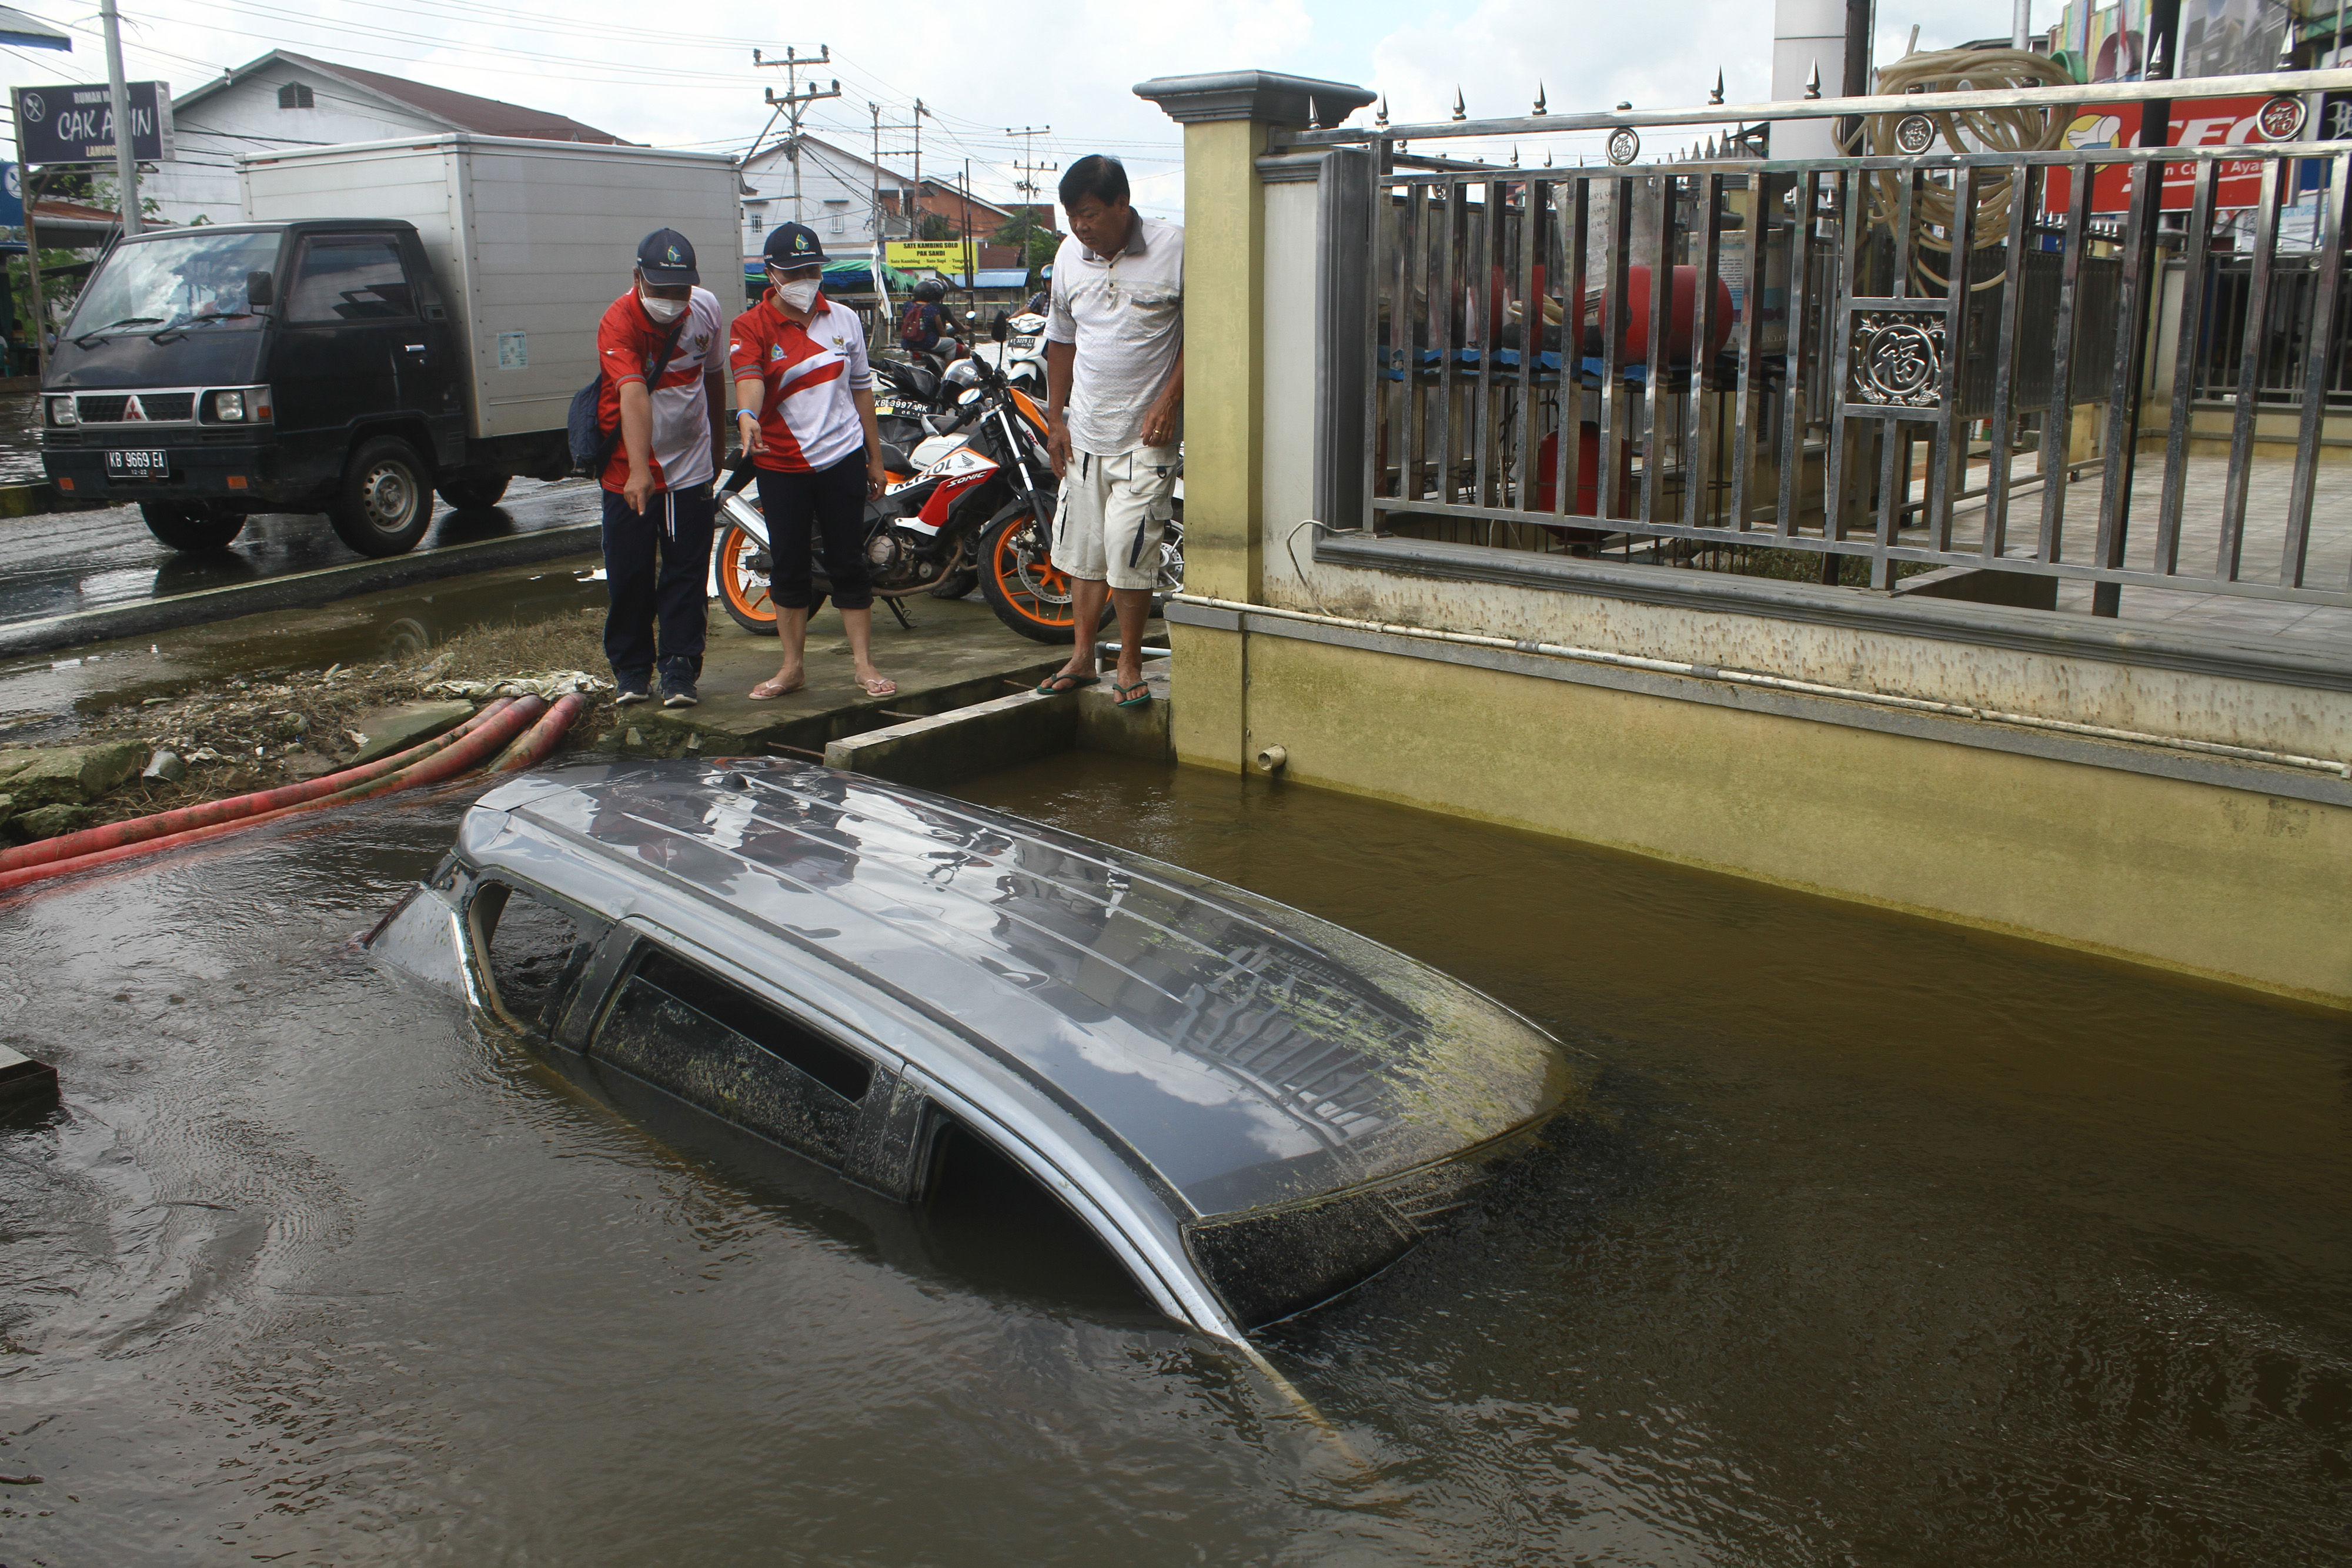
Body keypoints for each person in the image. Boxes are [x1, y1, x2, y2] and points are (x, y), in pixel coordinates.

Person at [1037, 155, 1182, 709]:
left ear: (1123, 204)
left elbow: (1201, 329)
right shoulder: (1070, 255)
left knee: (1129, 548)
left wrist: (1171, 400)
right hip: (1085, 434)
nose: (1081, 227)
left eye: (1091, 214)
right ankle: (1081, 656)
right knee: (1084, 551)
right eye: (1073, 216)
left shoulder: (1175, 248)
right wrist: (1056, 419)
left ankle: (1127, 661)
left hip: (1147, 438)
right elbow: (1060, 340)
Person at [730, 221, 897, 702]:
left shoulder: (843, 320)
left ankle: (864, 665)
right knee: (789, 564)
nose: (806, 279)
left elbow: (861, 390)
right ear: (771, 275)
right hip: (781, 462)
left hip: (842, 456)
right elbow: (749, 379)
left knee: (849, 560)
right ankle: (791, 668)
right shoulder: (751, 326)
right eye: (795, 271)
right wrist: (746, 413)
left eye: (812, 269)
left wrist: (875, 457)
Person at [596, 227, 726, 708]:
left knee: (686, 574)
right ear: (637, 278)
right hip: (628, 470)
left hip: (690, 464)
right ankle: (632, 670)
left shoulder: (707, 309)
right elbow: (632, 395)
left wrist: (717, 442)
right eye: (661, 290)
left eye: (681, 290)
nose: (672, 301)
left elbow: (714, 378)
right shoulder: (618, 321)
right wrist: (637, 469)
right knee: (629, 573)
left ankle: (679, 668)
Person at [897, 276, 960, 360]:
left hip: (908, 342)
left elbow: (905, 322)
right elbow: (941, 329)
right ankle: (947, 370)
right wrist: (945, 338)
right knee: (952, 344)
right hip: (928, 343)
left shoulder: (907, 306)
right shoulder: (932, 309)